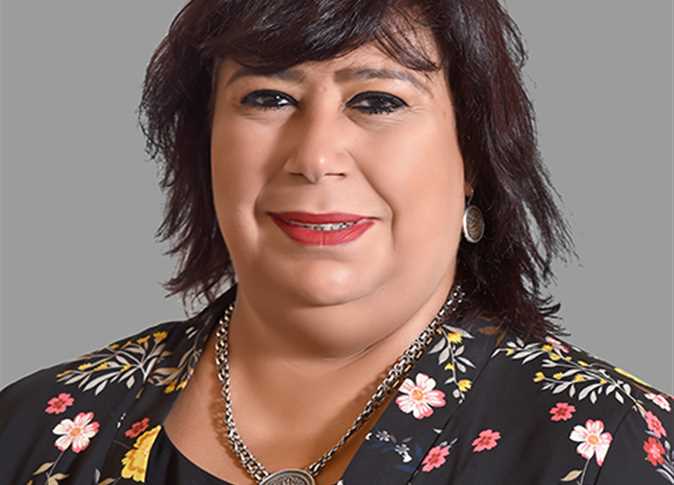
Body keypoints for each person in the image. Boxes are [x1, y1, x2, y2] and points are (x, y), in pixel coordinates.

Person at [1, 1, 672, 484]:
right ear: (204, 144)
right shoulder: (34, 428)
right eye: (268, 98)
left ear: (472, 154)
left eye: (377, 101)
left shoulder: (604, 443)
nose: (316, 157)